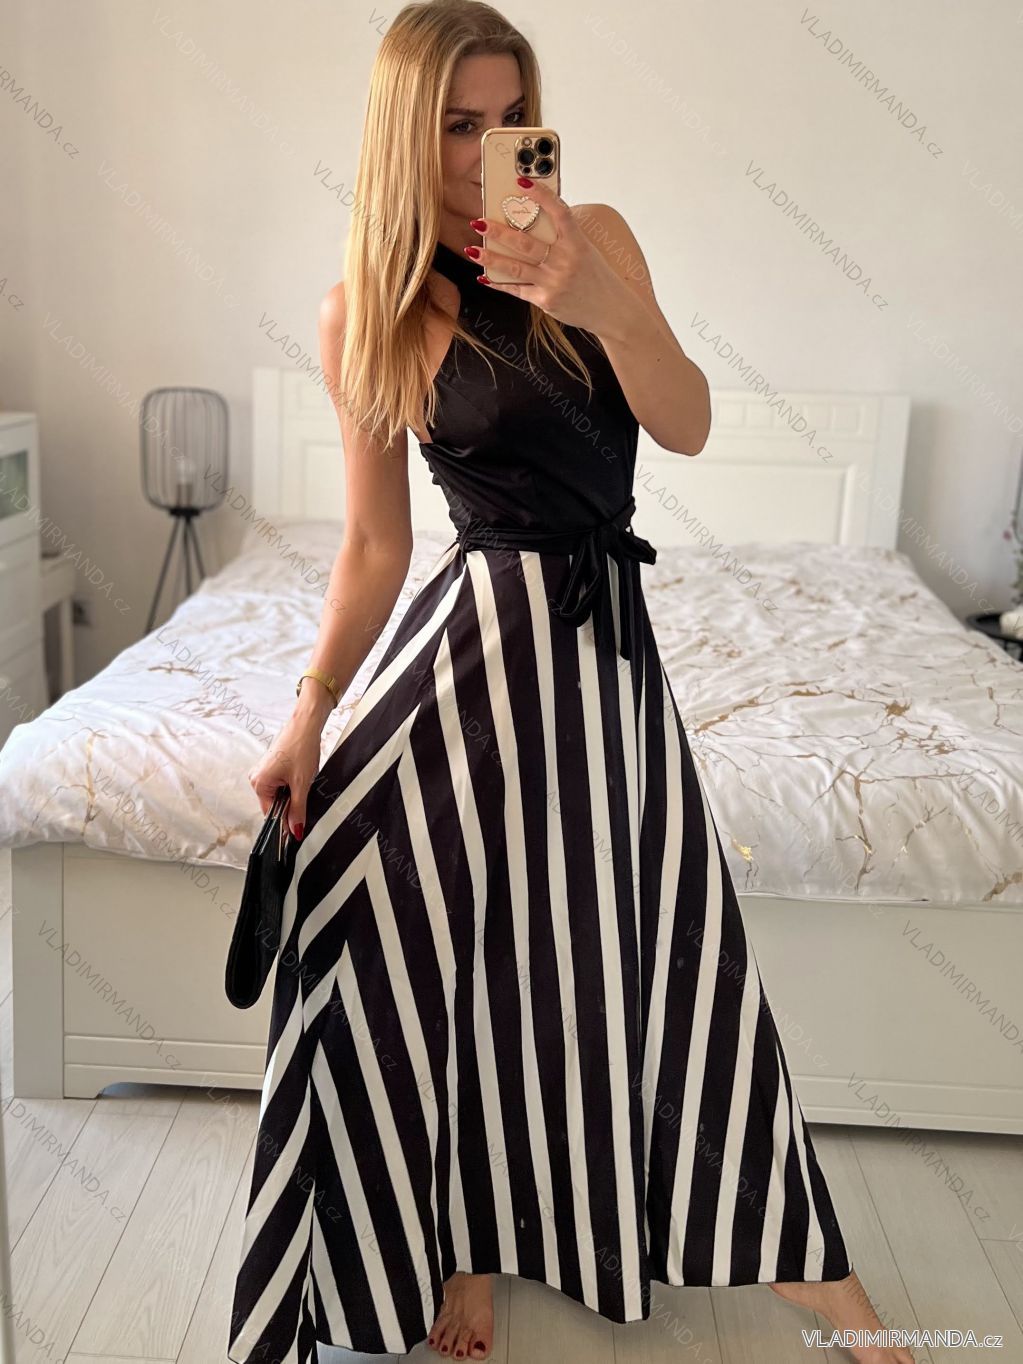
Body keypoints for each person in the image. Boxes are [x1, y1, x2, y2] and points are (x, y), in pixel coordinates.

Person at [227, 4, 914, 1363]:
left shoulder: (595, 238)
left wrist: (595, 299)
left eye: (510, 119)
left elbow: (689, 422)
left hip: (603, 654)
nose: (489, 149)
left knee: (678, 958)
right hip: (470, 659)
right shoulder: (368, 308)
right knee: (430, 940)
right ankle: (456, 1245)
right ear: (404, 133)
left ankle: (820, 1282)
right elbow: (373, 547)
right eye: (458, 125)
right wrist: (309, 713)